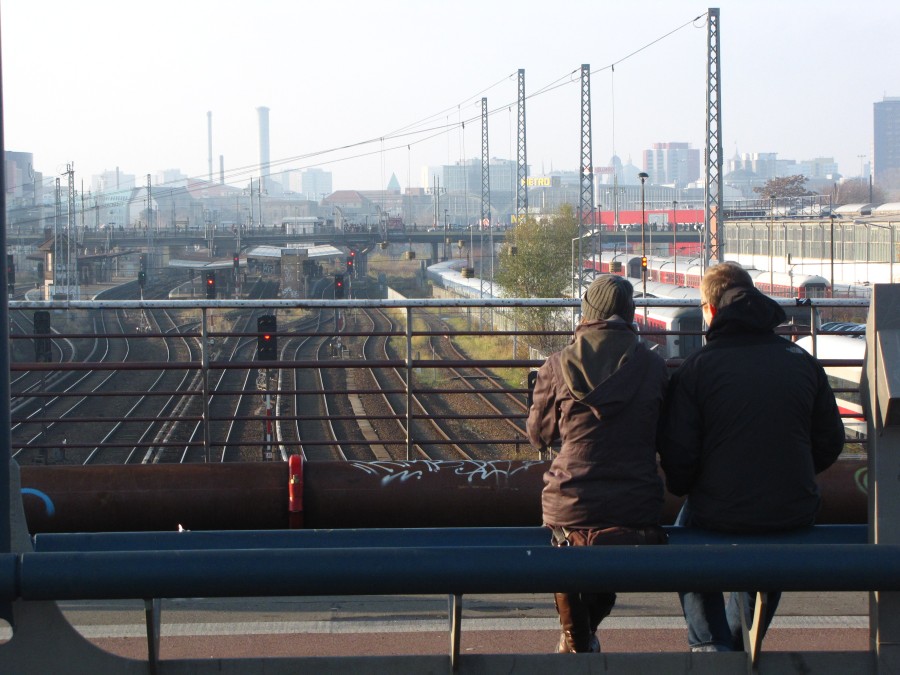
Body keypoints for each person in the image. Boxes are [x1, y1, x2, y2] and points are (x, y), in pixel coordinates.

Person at [657, 262, 845, 652]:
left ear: (709, 310)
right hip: (792, 509)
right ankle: (740, 642)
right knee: (772, 537)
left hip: (719, 509)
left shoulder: (696, 369)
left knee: (683, 544)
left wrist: (689, 485)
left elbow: (678, 457)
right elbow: (830, 442)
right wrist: (792, 472)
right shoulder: (802, 361)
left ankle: (710, 646)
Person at [527, 274, 669, 654]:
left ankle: (577, 641)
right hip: (636, 503)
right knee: (608, 561)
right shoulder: (654, 368)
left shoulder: (556, 366)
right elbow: (666, 436)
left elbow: (538, 436)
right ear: (630, 315)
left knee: (569, 551)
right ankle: (581, 639)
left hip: (570, 503)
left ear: (587, 314)